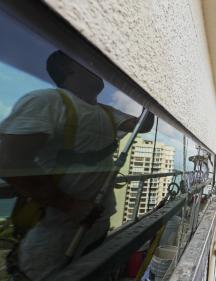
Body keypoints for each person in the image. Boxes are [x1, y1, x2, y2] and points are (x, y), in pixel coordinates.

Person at [0, 50, 153, 280]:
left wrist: (150, 91)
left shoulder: (107, 113)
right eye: (86, 60)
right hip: (52, 237)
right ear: (68, 68)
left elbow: (143, 126)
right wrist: (70, 205)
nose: (95, 66)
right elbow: (10, 161)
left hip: (96, 227)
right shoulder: (47, 102)